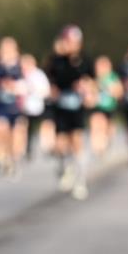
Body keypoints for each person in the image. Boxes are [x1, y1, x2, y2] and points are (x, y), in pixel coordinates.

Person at [45, 25, 92, 200]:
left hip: (77, 107)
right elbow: (49, 82)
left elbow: (91, 81)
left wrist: (87, 90)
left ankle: (81, 180)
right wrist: (53, 91)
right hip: (61, 107)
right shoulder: (56, 61)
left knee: (77, 141)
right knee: (60, 143)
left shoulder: (84, 61)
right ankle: (65, 167)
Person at [0, 37, 26, 176]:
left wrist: (14, 86)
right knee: (1, 129)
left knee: (15, 133)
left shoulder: (20, 64)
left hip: (15, 105)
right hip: (0, 105)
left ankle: (12, 158)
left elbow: (26, 83)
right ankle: (2, 155)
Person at [86, 55, 123, 155]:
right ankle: (97, 146)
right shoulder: (93, 79)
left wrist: (112, 90)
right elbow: (88, 94)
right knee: (96, 122)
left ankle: (106, 140)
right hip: (97, 107)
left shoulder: (113, 77)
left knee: (108, 128)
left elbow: (119, 92)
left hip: (109, 107)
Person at [19, 53, 50, 160]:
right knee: (24, 128)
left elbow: (46, 90)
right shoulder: (20, 74)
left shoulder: (38, 75)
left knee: (42, 126)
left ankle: (45, 146)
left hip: (37, 106)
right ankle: (25, 149)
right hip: (24, 108)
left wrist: (34, 90)